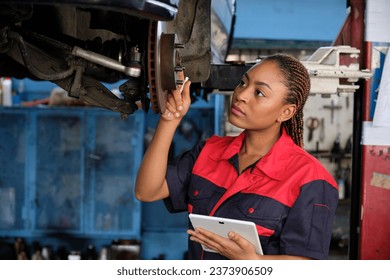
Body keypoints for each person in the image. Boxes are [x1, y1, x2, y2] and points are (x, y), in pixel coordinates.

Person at [135, 54, 339, 260]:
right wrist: (169, 121)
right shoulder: (208, 151)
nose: (241, 94)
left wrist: (255, 262)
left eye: (259, 92)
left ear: (285, 112)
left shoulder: (310, 179)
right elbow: (147, 191)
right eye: (243, 83)